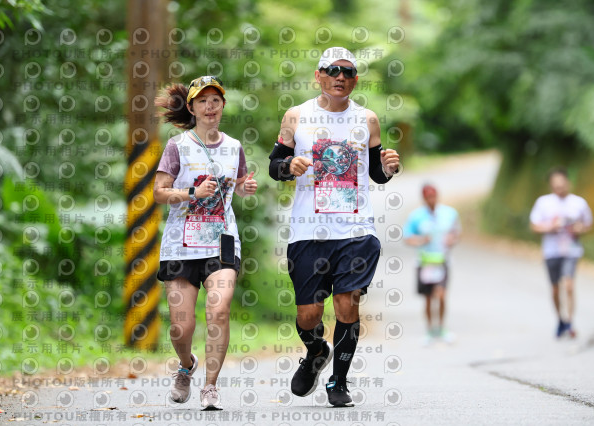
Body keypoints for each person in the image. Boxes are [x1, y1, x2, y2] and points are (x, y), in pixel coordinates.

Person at [268, 47, 400, 407]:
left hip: (356, 231)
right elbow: (275, 165)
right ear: (319, 76)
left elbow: (377, 173)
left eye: (348, 72)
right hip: (308, 232)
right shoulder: (296, 116)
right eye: (332, 70)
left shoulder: (367, 119)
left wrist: (388, 168)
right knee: (308, 315)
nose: (340, 77)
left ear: (355, 80)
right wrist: (288, 166)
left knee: (347, 305)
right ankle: (316, 351)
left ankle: (338, 382)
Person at [153, 76, 257, 410]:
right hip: (180, 245)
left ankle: (210, 387)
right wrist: (192, 193)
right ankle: (186, 365)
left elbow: (238, 185)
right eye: (202, 101)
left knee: (219, 310)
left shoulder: (234, 147)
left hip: (221, 242)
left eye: (215, 101)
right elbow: (159, 193)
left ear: (223, 105)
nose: (210, 107)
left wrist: (245, 188)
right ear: (192, 107)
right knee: (180, 328)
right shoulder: (177, 146)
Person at [529, 167, 592, 338]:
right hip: (551, 251)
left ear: (568, 183)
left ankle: (570, 322)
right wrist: (550, 227)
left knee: (569, 285)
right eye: (556, 186)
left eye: (562, 185)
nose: (559, 189)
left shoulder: (579, 203)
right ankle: (560, 320)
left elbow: (588, 224)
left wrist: (580, 228)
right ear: (551, 186)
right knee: (555, 289)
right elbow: (534, 225)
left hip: (572, 250)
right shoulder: (543, 202)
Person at [403, 184, 461, 345]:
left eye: (433, 196)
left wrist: (452, 240)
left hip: (442, 260)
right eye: (428, 197)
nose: (431, 200)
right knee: (428, 298)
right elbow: (407, 238)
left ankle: (441, 328)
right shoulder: (416, 216)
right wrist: (421, 240)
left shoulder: (449, 213)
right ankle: (429, 330)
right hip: (424, 262)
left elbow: (456, 233)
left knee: (441, 295)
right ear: (424, 198)